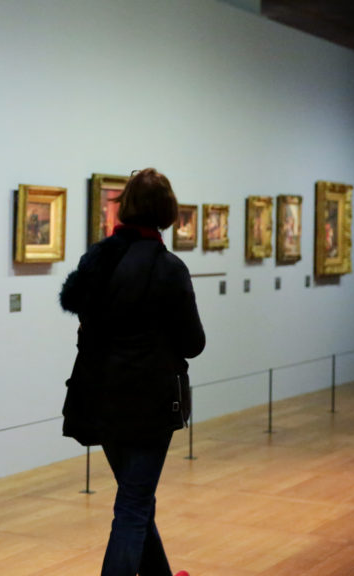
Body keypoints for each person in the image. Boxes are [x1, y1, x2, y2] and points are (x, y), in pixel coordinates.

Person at [60, 168, 204, 576]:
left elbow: (86, 326)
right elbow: (193, 343)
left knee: (136, 498)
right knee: (134, 505)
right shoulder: (169, 267)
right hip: (150, 404)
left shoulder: (98, 261)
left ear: (125, 207)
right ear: (167, 211)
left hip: (100, 398)